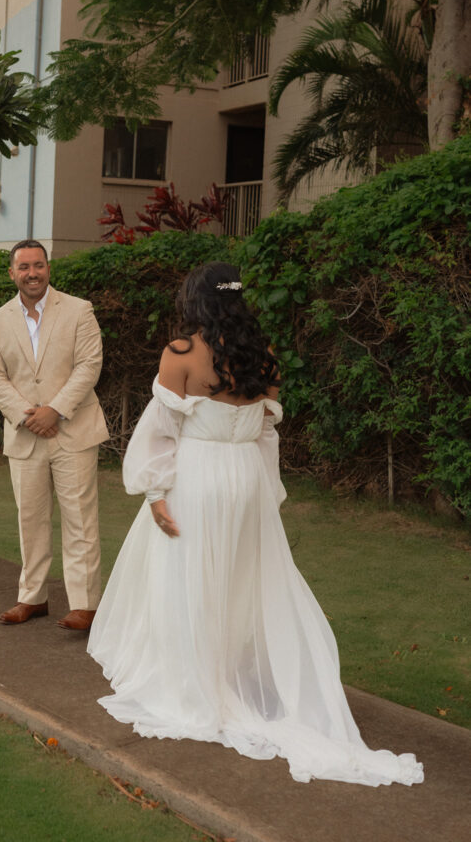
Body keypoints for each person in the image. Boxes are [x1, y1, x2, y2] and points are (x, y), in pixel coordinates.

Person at [88, 261, 423, 786]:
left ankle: (197, 682)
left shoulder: (181, 355)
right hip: (244, 478)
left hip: (198, 477)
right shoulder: (263, 355)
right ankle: (230, 673)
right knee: (241, 579)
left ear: (196, 299)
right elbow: (267, 431)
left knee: (188, 578)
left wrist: (155, 491)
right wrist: (266, 489)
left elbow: (161, 432)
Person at [0, 239, 108, 631]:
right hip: (25, 435)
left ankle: (86, 605)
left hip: (74, 430)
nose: (32, 273)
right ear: (12, 273)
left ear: (48, 268)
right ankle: (32, 598)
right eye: (24, 267)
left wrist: (55, 410)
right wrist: (26, 415)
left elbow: (90, 364)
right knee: (30, 520)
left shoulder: (79, 310)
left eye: (38, 265)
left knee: (80, 520)